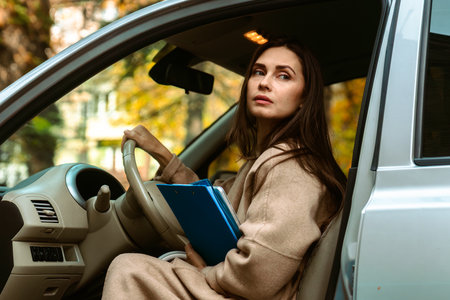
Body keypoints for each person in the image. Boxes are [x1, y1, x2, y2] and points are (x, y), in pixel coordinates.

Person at [102, 38, 347, 300]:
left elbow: (257, 275)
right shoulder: (269, 158)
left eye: (284, 76)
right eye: (259, 72)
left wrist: (206, 271)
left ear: (304, 98)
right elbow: (217, 203)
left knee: (129, 269)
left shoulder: (291, 167)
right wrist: (161, 154)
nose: (265, 82)